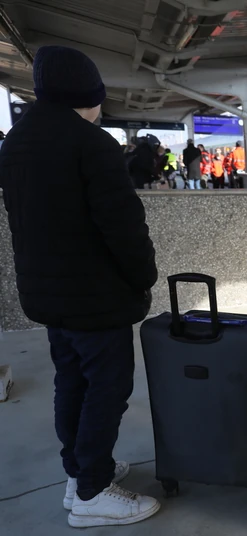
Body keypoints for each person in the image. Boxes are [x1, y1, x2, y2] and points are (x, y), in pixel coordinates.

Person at [0, 45, 160, 527]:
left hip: (47, 293)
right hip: (95, 296)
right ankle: (93, 492)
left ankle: (79, 474)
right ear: (85, 96)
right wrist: (143, 276)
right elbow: (123, 226)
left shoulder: (16, 142)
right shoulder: (92, 144)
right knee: (107, 389)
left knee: (71, 382)